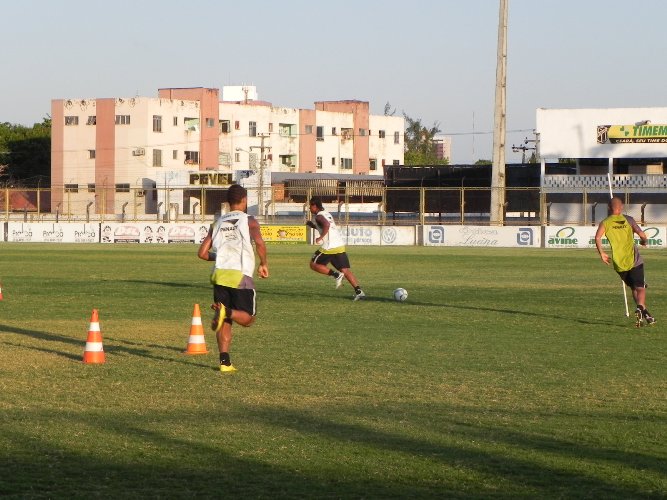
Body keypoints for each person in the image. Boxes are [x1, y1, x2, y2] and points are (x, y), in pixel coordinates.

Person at [198, 184, 269, 372]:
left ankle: (225, 362)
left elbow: (202, 253)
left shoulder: (217, 223)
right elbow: (260, 243)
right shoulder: (249, 220)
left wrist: (218, 256)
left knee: (224, 320)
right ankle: (227, 312)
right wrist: (263, 263)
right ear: (244, 200)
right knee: (248, 318)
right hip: (240, 275)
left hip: (220, 275)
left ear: (228, 203)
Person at [595, 196, 655, 326]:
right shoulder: (628, 220)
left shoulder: (605, 222)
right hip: (634, 259)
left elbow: (598, 237)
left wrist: (602, 253)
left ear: (609, 208)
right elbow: (642, 234)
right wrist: (644, 241)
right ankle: (640, 307)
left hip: (618, 263)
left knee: (633, 287)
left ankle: (645, 314)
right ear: (621, 207)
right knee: (641, 288)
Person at [306, 196, 365, 301]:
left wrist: (320, 237)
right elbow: (324, 225)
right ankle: (359, 291)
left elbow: (326, 225)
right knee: (345, 270)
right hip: (339, 245)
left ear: (314, 206)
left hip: (329, 246)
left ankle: (336, 275)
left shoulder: (319, 216)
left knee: (313, 264)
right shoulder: (327, 214)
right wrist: (313, 226)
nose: (309, 209)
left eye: (310, 206)